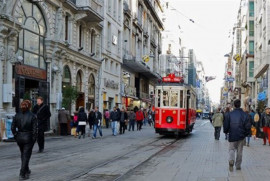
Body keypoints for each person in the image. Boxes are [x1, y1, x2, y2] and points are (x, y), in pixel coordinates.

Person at [11, 100, 37, 180]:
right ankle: (22, 173)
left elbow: (12, 127)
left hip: (19, 137)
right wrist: (33, 138)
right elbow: (35, 129)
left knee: (23, 154)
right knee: (26, 155)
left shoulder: (17, 115)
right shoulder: (32, 116)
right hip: (28, 137)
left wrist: (16, 135)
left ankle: (26, 169)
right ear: (29, 106)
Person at [223, 99, 251, 171]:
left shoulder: (229, 114)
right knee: (239, 151)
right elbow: (248, 126)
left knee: (231, 149)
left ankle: (231, 160)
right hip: (241, 136)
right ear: (240, 105)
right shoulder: (245, 114)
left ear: (234, 105)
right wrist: (246, 134)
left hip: (232, 134)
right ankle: (238, 165)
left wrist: (226, 131)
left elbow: (226, 124)